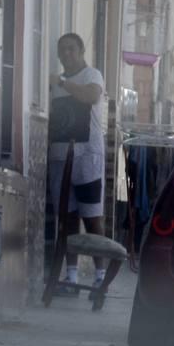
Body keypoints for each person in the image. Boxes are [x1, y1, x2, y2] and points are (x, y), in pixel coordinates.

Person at [48, 32, 108, 292]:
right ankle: (71, 275)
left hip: (87, 157)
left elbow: (91, 96)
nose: (66, 54)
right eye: (62, 50)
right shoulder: (54, 82)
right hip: (60, 157)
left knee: (92, 218)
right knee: (68, 217)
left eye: (71, 49)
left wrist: (62, 83)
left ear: (82, 51)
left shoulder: (91, 75)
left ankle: (101, 274)